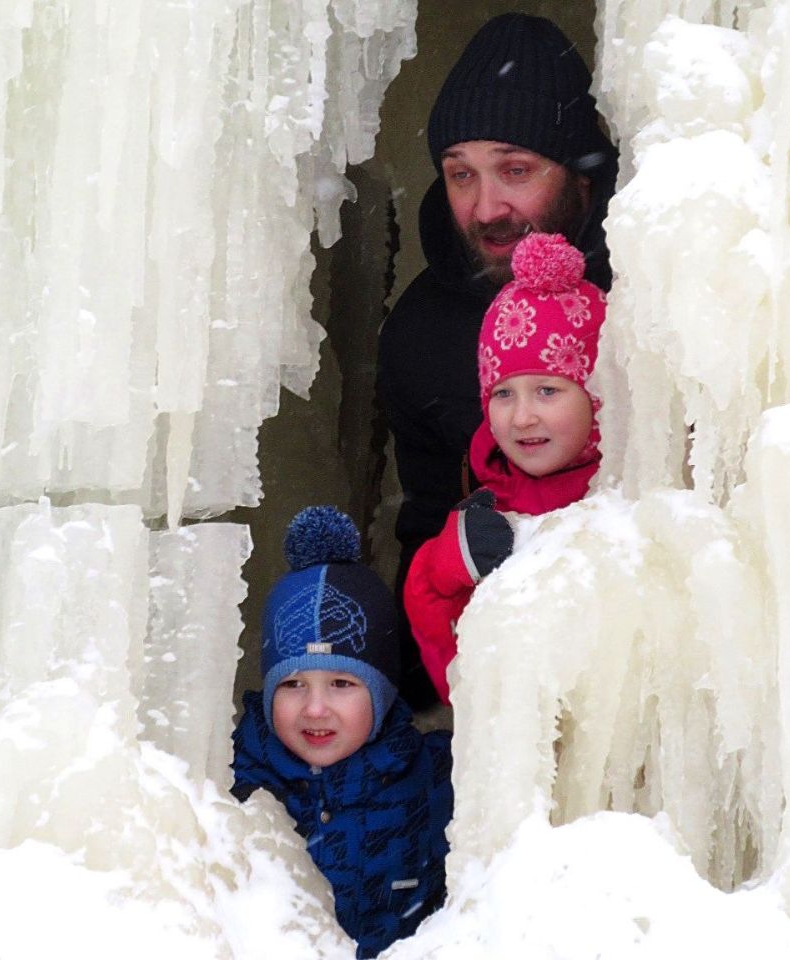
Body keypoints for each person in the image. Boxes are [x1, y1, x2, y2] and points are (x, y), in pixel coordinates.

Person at [377, 12, 617, 709]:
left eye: (515, 170)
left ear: (580, 175)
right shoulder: (422, 334)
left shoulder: (646, 290)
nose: (487, 208)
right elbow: (427, 517)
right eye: (460, 175)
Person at [231, 506, 454, 959]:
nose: (315, 708)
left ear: (382, 692)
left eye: (342, 684)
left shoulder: (437, 780)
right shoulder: (235, 787)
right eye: (292, 684)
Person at [403, 231, 606, 703]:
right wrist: (439, 576)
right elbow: (455, 680)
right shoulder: (483, 514)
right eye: (503, 394)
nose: (522, 417)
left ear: (597, 396)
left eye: (548, 391)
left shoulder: (627, 497)